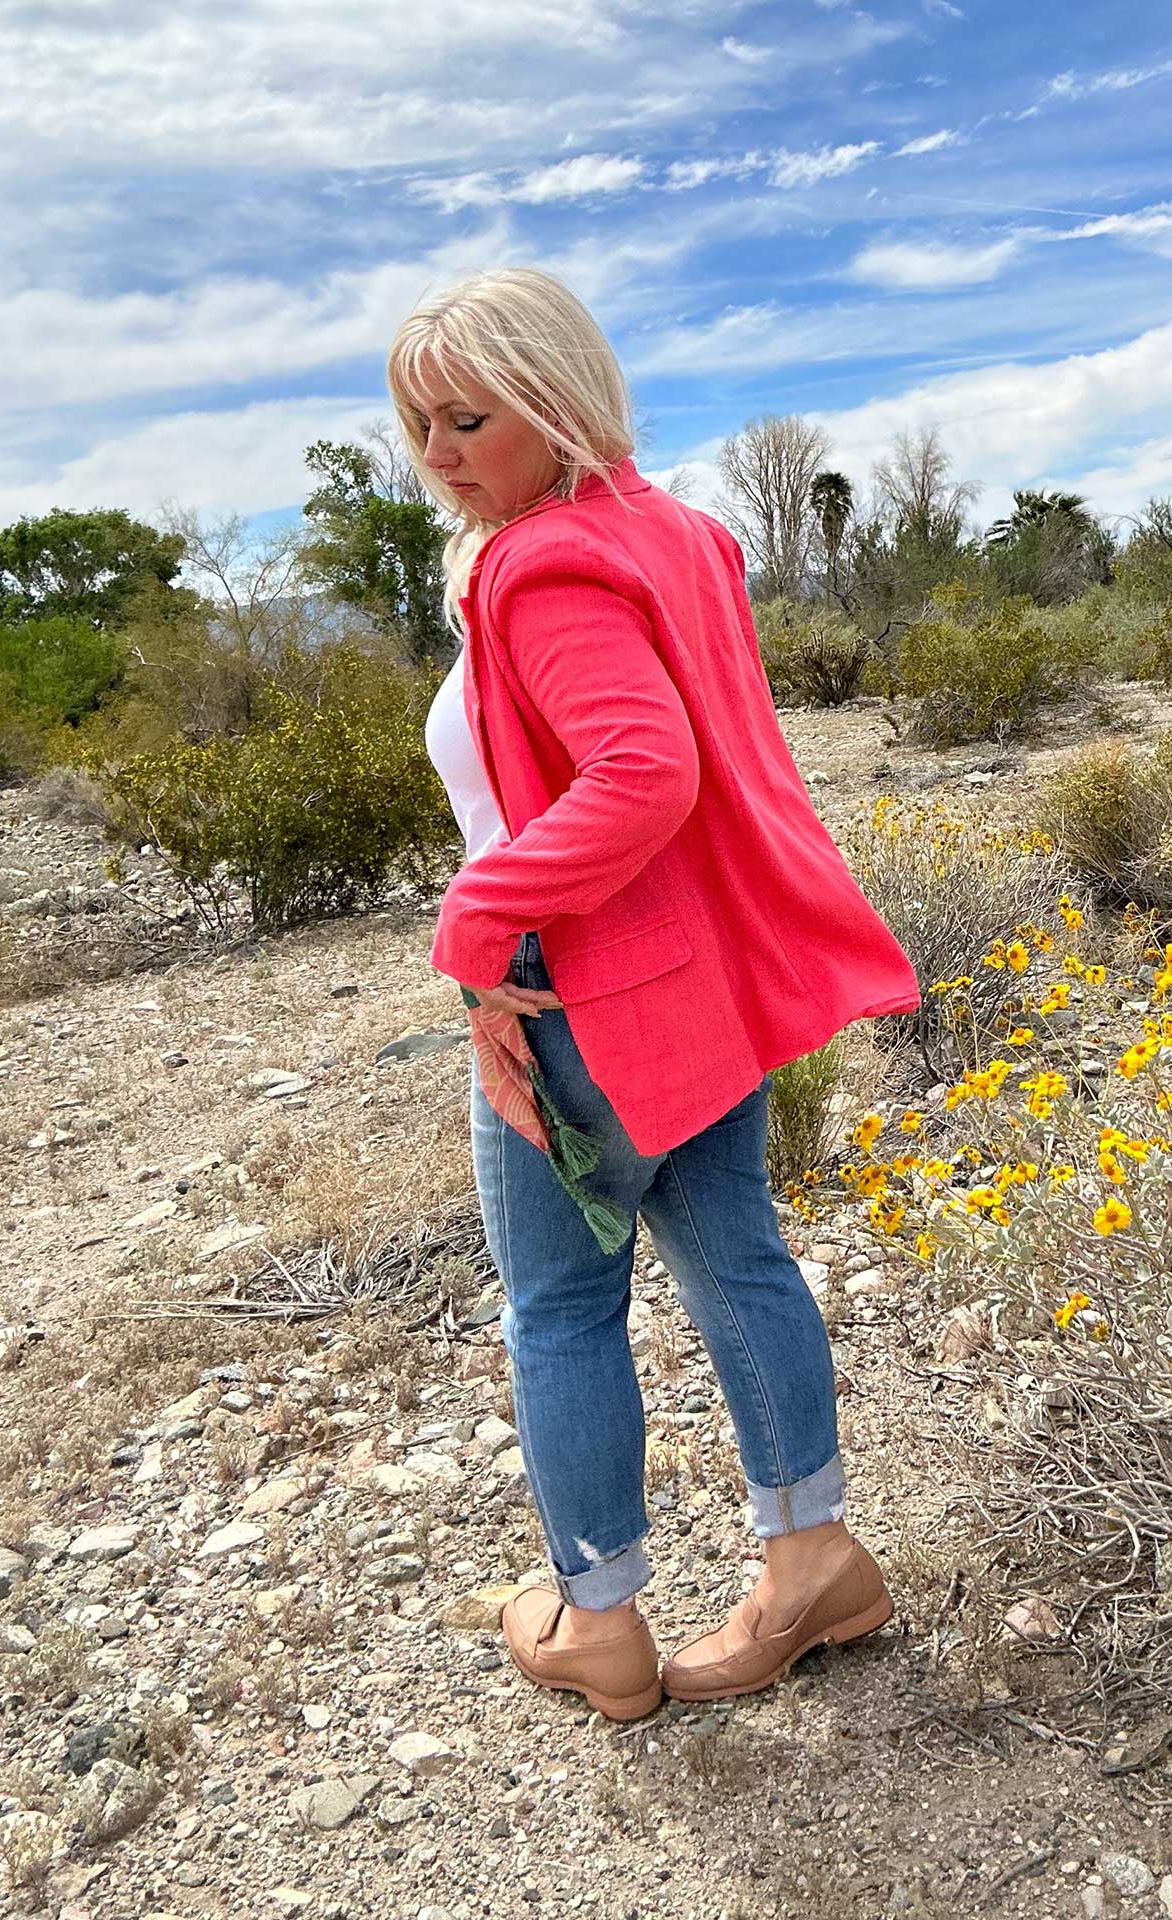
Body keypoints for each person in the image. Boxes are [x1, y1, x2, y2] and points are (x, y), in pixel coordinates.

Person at [389, 266, 921, 1720]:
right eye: (419, 419)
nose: (437, 450)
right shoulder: (676, 534)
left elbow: (643, 771)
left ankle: (598, 1624)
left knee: (560, 1307)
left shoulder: (541, 561)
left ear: (554, 403)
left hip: (582, 995)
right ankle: (812, 1562)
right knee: (735, 1253)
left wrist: (478, 920)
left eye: (468, 416)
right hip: (697, 977)